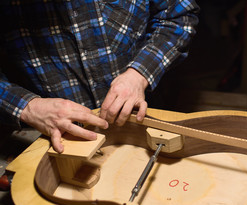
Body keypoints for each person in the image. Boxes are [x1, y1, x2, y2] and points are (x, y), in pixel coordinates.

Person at [0, 0, 199, 153]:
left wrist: (139, 74)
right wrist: (27, 107)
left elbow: (179, 17)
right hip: (47, 137)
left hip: (145, 120)